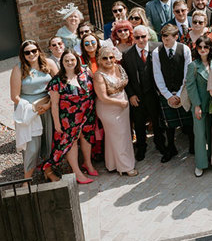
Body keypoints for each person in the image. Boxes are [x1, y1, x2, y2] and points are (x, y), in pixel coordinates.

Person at [41, 50, 97, 183]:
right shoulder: (57, 81)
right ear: (62, 63)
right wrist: (57, 124)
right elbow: (54, 105)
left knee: (87, 137)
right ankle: (77, 173)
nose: (70, 63)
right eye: (66, 60)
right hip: (69, 118)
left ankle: (87, 164)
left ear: (77, 60)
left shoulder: (84, 71)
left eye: (72, 60)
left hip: (88, 113)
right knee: (72, 142)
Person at [10, 41, 57, 181]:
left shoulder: (49, 64)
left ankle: (48, 171)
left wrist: (49, 104)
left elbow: (59, 85)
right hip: (28, 111)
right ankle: (27, 179)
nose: (31, 54)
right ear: (22, 55)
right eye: (27, 52)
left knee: (48, 141)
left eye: (34, 51)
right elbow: (14, 96)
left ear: (39, 50)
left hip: (47, 107)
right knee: (32, 146)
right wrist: (32, 109)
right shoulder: (18, 69)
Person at [93, 46, 137, 177]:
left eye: (111, 57)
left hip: (122, 103)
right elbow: (103, 97)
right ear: (99, 60)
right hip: (109, 108)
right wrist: (121, 102)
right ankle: (126, 167)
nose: (108, 60)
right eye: (105, 58)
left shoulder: (118, 67)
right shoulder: (98, 75)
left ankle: (112, 164)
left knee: (119, 136)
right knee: (119, 136)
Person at [152, 24, 193, 163]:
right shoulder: (157, 52)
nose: (164, 40)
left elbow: (187, 74)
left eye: (167, 37)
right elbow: (157, 75)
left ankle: (193, 146)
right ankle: (171, 148)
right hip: (166, 93)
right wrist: (168, 95)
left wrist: (180, 93)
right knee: (169, 125)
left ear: (176, 37)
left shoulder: (185, 49)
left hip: (183, 91)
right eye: (163, 37)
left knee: (188, 121)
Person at [123, 25, 164, 161]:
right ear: (133, 38)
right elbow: (126, 77)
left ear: (148, 36)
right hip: (137, 95)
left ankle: (160, 143)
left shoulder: (158, 48)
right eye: (137, 37)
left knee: (157, 120)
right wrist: (131, 95)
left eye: (143, 36)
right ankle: (141, 147)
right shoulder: (127, 54)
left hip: (154, 93)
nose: (141, 40)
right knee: (139, 123)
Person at [184, 37, 212, 177]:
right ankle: (201, 164)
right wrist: (196, 105)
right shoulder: (193, 65)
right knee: (200, 135)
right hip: (200, 104)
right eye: (200, 47)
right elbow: (190, 87)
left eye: (206, 47)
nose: (203, 50)